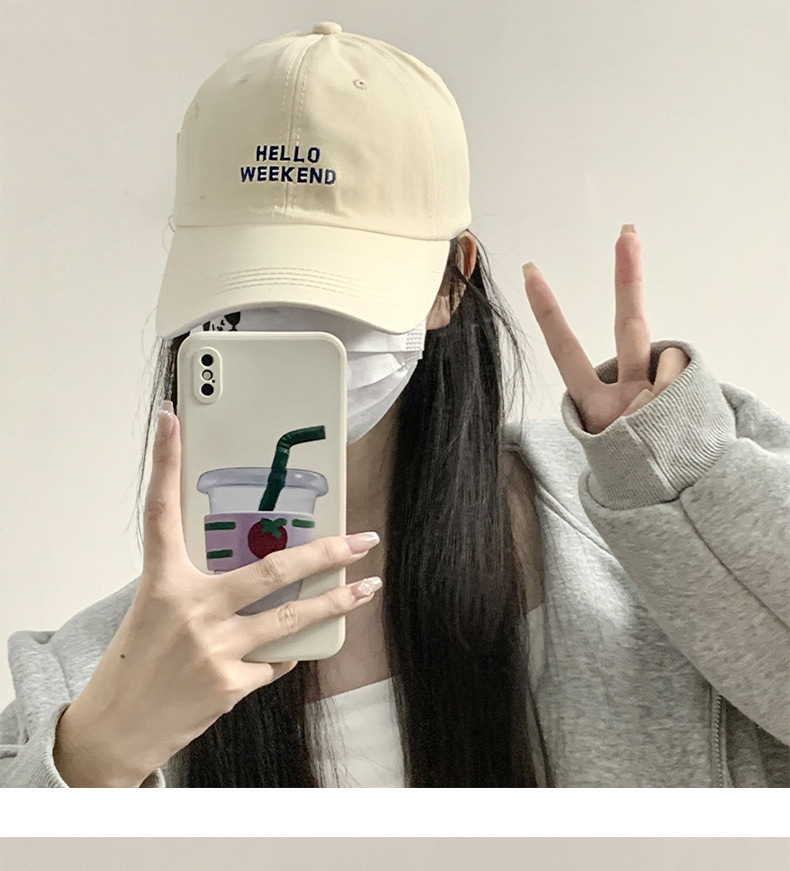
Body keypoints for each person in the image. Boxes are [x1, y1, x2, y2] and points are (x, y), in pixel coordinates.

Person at [1, 22, 788, 788]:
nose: (292, 323)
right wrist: (96, 751)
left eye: (336, 286)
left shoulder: (639, 518)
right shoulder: (89, 674)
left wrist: (678, 484)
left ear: (452, 280)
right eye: (247, 285)